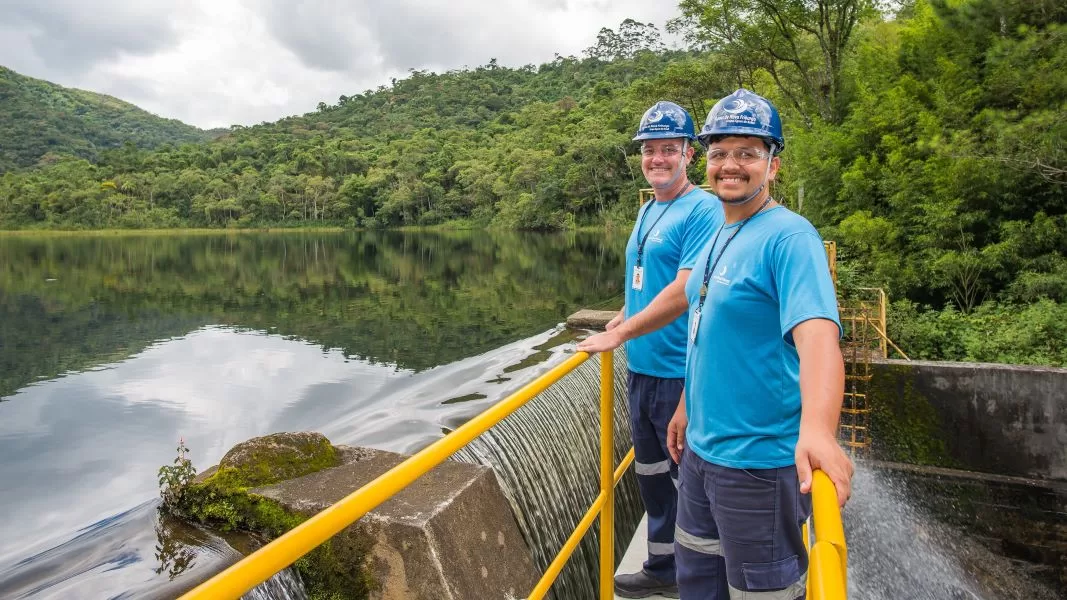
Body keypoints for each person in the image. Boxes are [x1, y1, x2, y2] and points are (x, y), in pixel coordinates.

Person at [579, 89, 853, 600]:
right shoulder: (721, 236)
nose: (731, 165)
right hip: (703, 456)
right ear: (705, 161)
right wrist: (681, 399)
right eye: (720, 153)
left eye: (747, 153)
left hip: (756, 463)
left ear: (773, 165)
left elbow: (819, 339)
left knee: (760, 591)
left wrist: (818, 430)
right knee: (698, 583)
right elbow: (692, 315)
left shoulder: (789, 238)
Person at [602, 100, 723, 599]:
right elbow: (646, 280)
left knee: (689, 485)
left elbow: (686, 289)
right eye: (649, 150)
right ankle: (662, 566)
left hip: (679, 370)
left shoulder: (703, 209)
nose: (657, 159)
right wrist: (622, 313)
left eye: (668, 149)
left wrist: (621, 333)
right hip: (643, 369)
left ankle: (704, 579)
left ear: (688, 155)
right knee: (652, 477)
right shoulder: (649, 207)